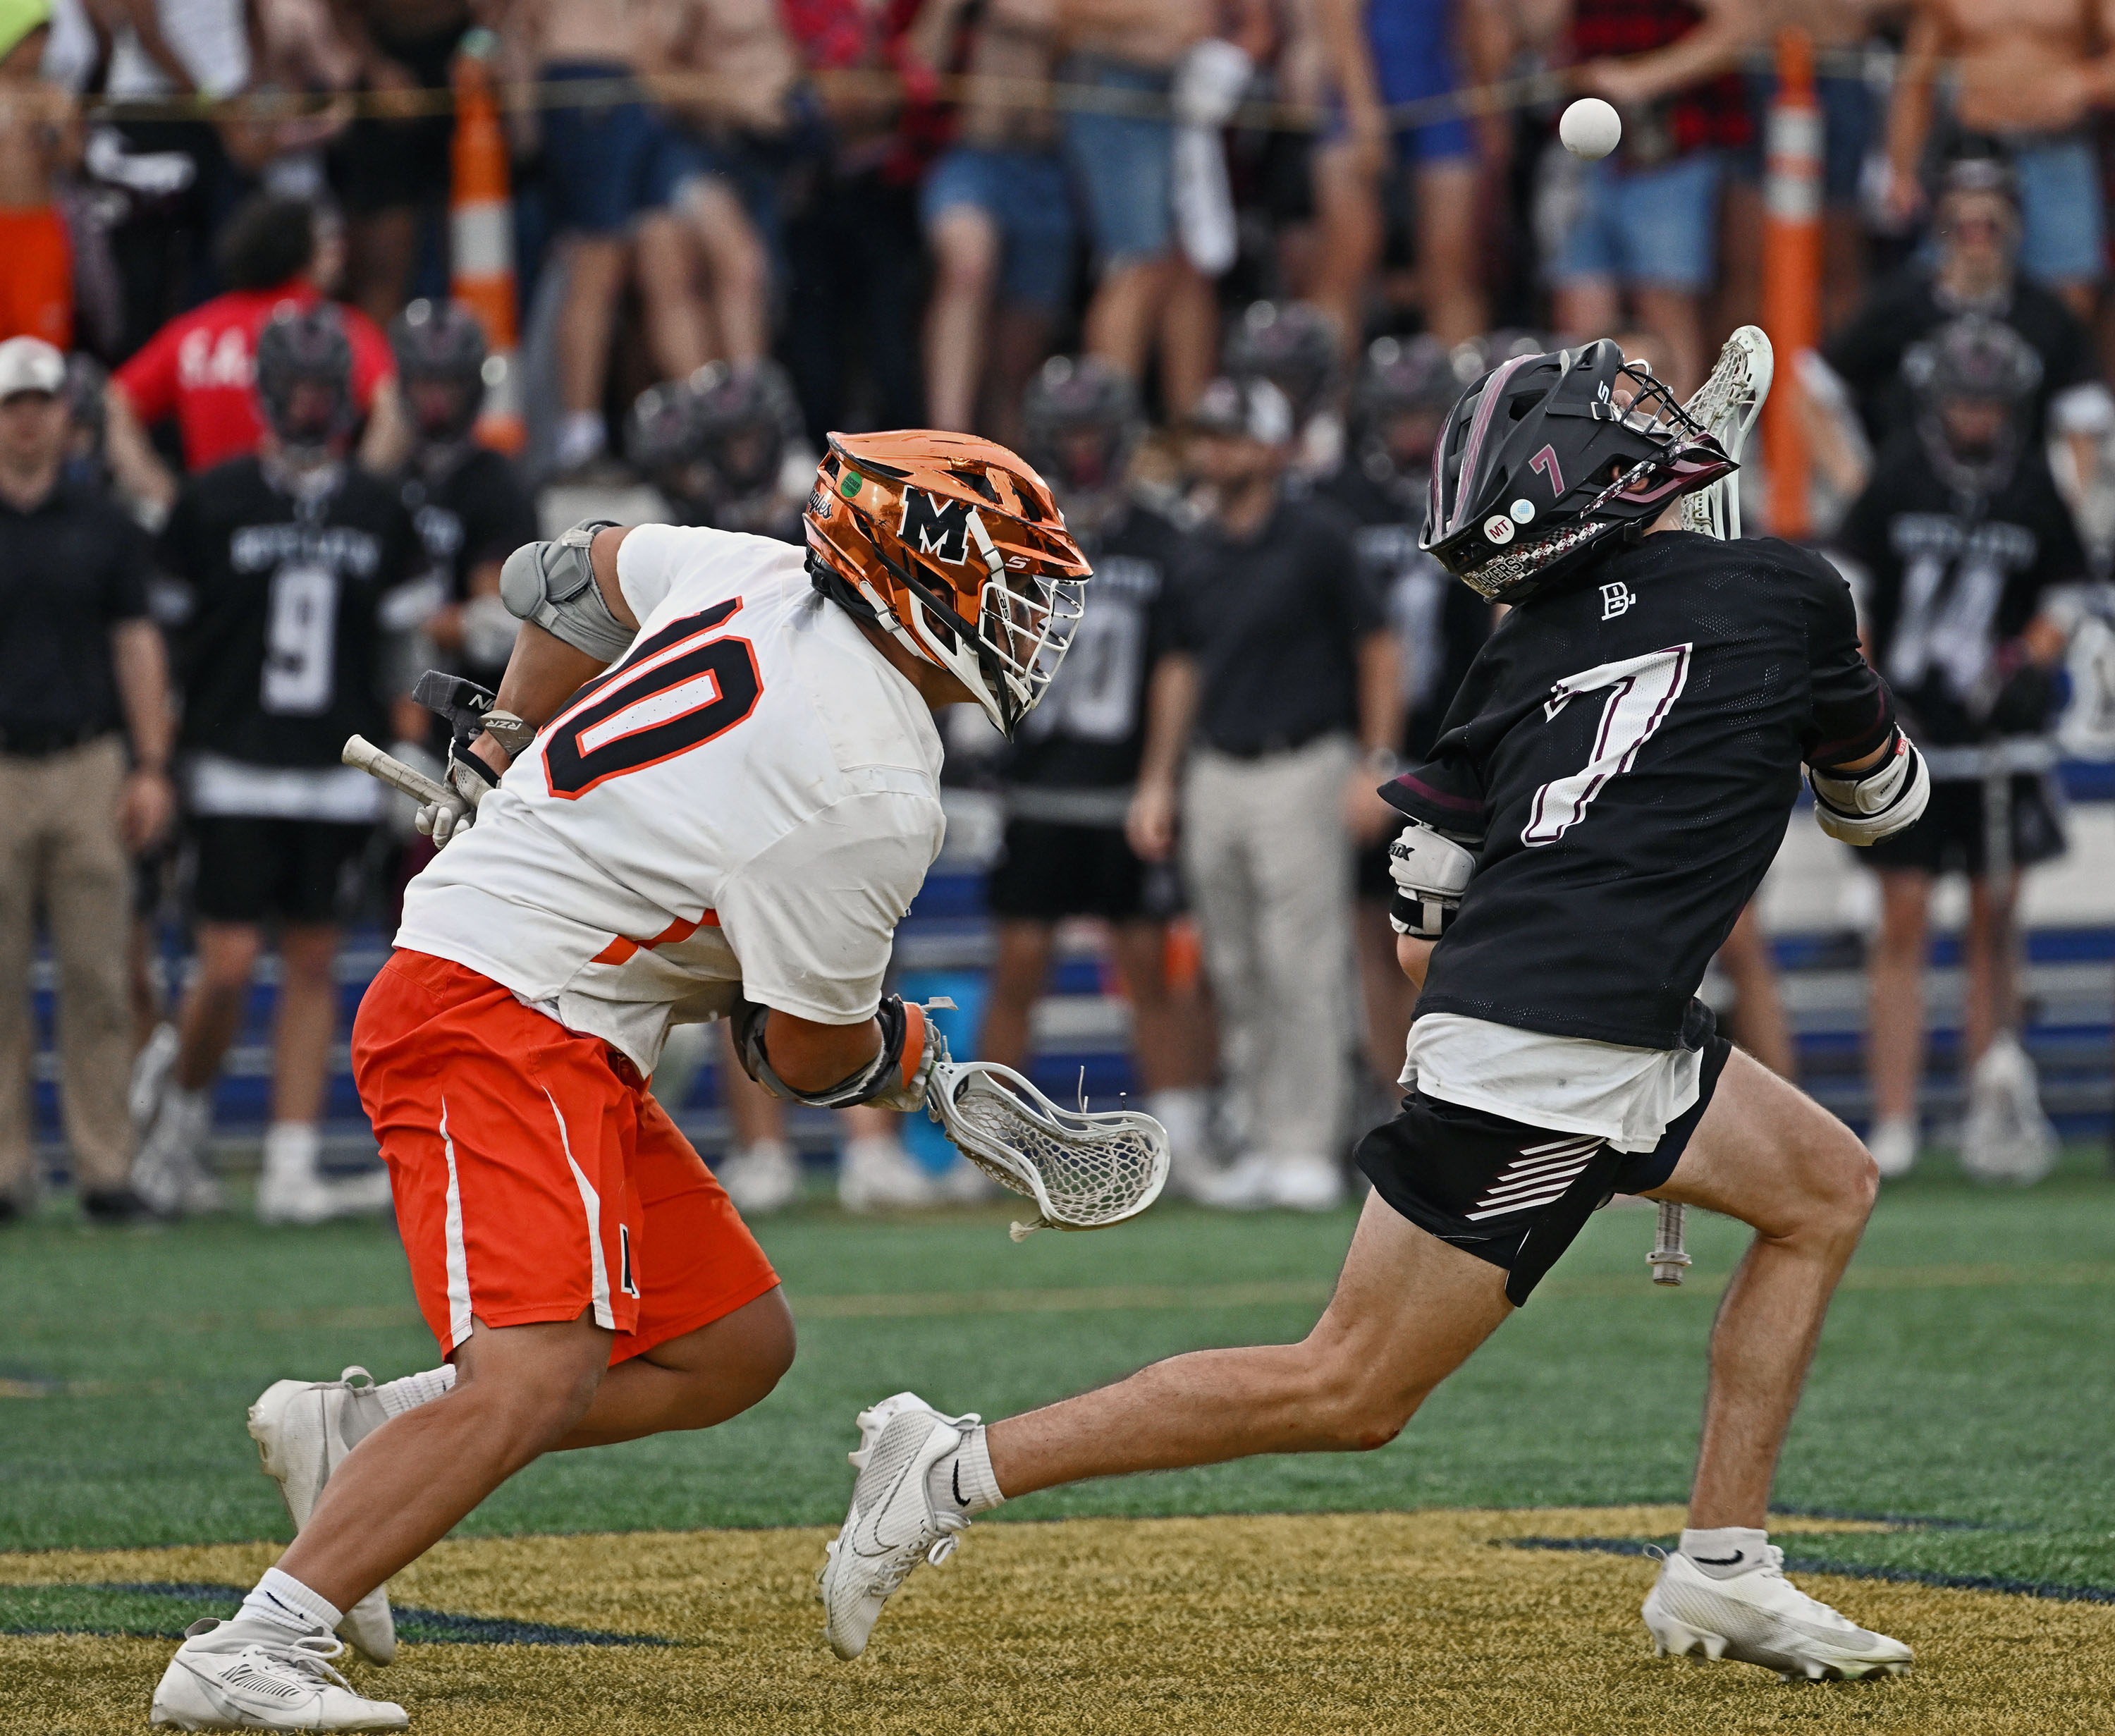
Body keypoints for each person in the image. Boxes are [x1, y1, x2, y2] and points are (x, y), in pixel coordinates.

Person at [816, 339, 1925, 1687]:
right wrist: (1792, 639)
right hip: (1563, 1043)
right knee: (1348, 1389)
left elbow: (1417, 933)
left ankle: (1727, 1563)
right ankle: (946, 1470)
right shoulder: (1790, 588)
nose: (1651, 414)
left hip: (1555, 1019)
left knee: (1824, 1186)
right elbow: (1885, 805)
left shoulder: (1519, 657)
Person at [145, 432, 1091, 1728]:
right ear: (920, 577)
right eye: (1011, 581)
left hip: (550, 1014)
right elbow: (807, 1054)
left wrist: (500, 747)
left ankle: (361, 1441)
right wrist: (911, 1058)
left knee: (728, 1349)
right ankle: (255, 1643)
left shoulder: (750, 574)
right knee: (537, 1371)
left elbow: (562, 572)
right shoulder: (876, 782)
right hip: (501, 1008)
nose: (1034, 617)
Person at [626, 360, 964, 1212]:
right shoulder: (694, 528)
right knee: (746, 970)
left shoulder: (815, 510)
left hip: (826, 754)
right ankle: (765, 1147)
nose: (740, 452)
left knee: (847, 952)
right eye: (725, 440)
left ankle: (866, 1146)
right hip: (735, 764)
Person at [130, 307, 427, 1226]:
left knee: (311, 961)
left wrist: (406, 751)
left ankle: (290, 1157)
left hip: (337, 765)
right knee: (223, 964)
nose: (306, 407)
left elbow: (400, 643)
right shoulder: (212, 501)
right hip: (230, 760)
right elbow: (167, 639)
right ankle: (177, 1118)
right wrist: (166, 753)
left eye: (320, 391)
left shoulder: (378, 509)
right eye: (292, 390)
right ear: (264, 395)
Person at [1129, 374, 1399, 1211]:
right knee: (1236, 962)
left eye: (1234, 435)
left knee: (1303, 960)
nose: (1217, 451)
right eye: (1210, 435)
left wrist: (1376, 759)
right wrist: (1159, 778)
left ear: (1275, 448)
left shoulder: (1319, 537)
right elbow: (1179, 667)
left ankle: (1305, 1143)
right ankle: (1257, 1124)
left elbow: (1378, 647)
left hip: (1303, 761)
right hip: (1218, 768)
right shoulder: (1193, 548)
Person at [1831, 317, 2081, 1180]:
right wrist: (1868, 689)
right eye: (1964, 399)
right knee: (1901, 920)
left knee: (1992, 919)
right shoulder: (1900, 472)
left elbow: (2065, 588)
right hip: (1911, 733)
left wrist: (2030, 662)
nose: (1977, 416)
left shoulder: (2030, 483)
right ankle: (1893, 1119)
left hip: (1996, 743)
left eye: (1990, 401)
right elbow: (1850, 586)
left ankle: (1990, 1105)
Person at [979, 355, 1215, 1183]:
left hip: (1122, 792)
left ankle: (1180, 1137)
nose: (1080, 451)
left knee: (1150, 970)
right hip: (1040, 785)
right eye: (1066, 434)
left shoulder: (1162, 534)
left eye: (1092, 433)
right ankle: (989, 1144)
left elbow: (1180, 662)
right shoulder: (1012, 531)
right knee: (1017, 968)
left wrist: (1161, 777)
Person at [0, 336, 174, 1226]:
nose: (26, 420)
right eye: (13, 405)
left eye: (39, 403)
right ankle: (6, 1167)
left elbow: (137, 644)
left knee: (100, 975)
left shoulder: (104, 524)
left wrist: (149, 764)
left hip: (87, 758)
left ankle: (106, 1166)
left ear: (65, 415)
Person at [1323, 333, 1491, 1098]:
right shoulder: (1338, 501)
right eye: (1402, 413)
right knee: (1374, 933)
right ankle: (1403, 1105)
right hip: (1371, 748)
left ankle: (1458, 1097)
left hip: (1453, 739)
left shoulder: (1480, 489)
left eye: (1427, 412)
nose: (1414, 429)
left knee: (1452, 935)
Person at [1815, 152, 2114, 477]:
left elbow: (2086, 418)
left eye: (1990, 228)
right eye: (1966, 228)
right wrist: (1859, 488)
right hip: (1909, 512)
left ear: (2016, 225)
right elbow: (1812, 392)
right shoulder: (1897, 306)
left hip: (2011, 514)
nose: (1978, 243)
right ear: (1940, 226)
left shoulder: (2048, 317)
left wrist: (2063, 511)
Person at [105, 194, 401, 513]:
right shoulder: (335, 329)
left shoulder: (195, 332)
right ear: (298, 249)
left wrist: (165, 496)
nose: (338, 251)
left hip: (214, 523)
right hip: (313, 523)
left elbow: (112, 404)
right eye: (326, 240)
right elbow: (395, 409)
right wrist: (357, 495)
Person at [513, 0, 711, 476]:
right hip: (588, 76)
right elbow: (523, 18)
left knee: (665, 261)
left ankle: (712, 423)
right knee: (594, 264)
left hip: (634, 83)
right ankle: (578, 440)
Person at [1550, 0, 1756, 398]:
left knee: (1664, 306)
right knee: (1580, 307)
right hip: (1581, 155)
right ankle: (1586, 443)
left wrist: (1641, 77)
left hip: (1670, 151)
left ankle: (1678, 443)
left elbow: (1741, 26)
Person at [1882, 0, 2115, 319]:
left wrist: (2085, 82)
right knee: (1953, 282)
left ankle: (2057, 367)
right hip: (1975, 155)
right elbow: (1917, 77)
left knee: (2070, 293)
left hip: (2058, 151)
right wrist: (1902, 169)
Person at [910, 0, 1072, 445]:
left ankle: (1009, 471)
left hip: (1050, 171)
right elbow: (920, 65)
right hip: (972, 158)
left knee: (1017, 355)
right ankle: (946, 443)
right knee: (967, 263)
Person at [387, 298, 539, 703]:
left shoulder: (498, 483)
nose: (436, 401)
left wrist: (413, 625)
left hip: (468, 697)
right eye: (425, 383)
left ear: (472, 386)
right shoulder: (385, 474)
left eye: (449, 385)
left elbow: (499, 621)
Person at [1313, 0, 1490, 346]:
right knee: (1347, 257)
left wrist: (1483, 99)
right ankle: (1324, 393)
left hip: (1439, 93)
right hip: (1360, 98)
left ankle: (1470, 392)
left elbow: (1475, 19)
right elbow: (1337, 15)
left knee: (1451, 266)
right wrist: (1360, 107)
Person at [323, 0, 472, 326]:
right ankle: (373, 372)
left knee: (470, 247)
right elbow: (337, 11)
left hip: (458, 59)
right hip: (384, 56)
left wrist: (480, 46)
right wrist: (376, 68)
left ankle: (466, 363)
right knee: (385, 253)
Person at [0, 0, 80, 349]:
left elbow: (73, 160)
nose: (39, 49)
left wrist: (51, 129)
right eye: (32, 38)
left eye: (45, 38)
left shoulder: (53, 96)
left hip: (37, 227)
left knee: (41, 342)